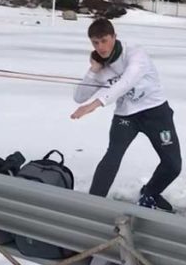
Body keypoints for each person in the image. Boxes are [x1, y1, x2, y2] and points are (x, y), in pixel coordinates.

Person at [71, 18, 180, 211]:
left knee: (173, 165)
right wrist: (93, 71)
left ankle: (150, 193)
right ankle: (93, 204)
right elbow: (79, 97)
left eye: (104, 40)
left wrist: (95, 104)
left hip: (156, 113)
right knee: (113, 156)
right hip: (126, 116)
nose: (100, 47)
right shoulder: (102, 68)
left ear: (114, 37)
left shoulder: (136, 54)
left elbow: (126, 82)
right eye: (95, 43)